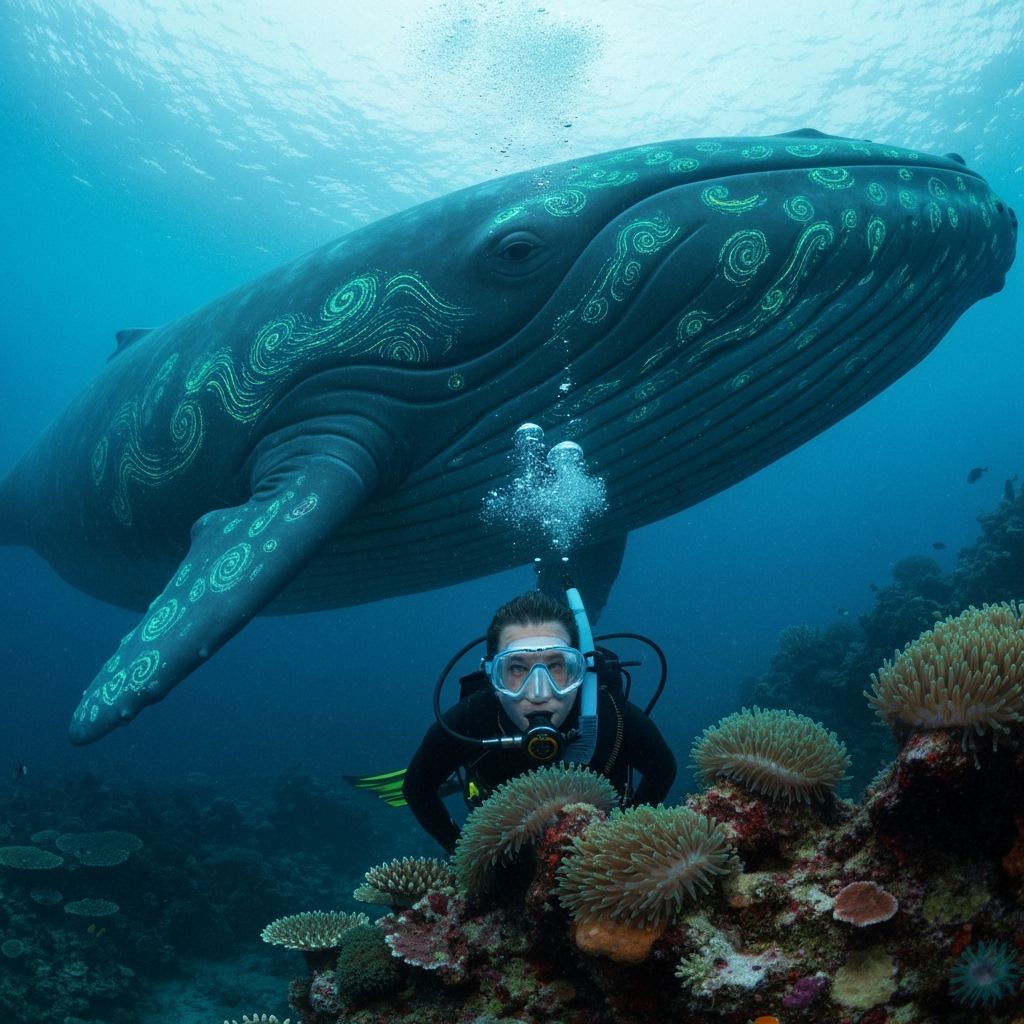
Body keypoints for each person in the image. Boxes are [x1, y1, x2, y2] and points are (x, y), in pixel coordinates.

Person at [403, 591, 677, 854]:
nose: (539, 693)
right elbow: (417, 789)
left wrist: (624, 838)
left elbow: (663, 770)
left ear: (578, 670)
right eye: (517, 668)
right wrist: (460, 853)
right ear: (493, 678)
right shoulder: (468, 722)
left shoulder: (612, 717)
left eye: (556, 666)